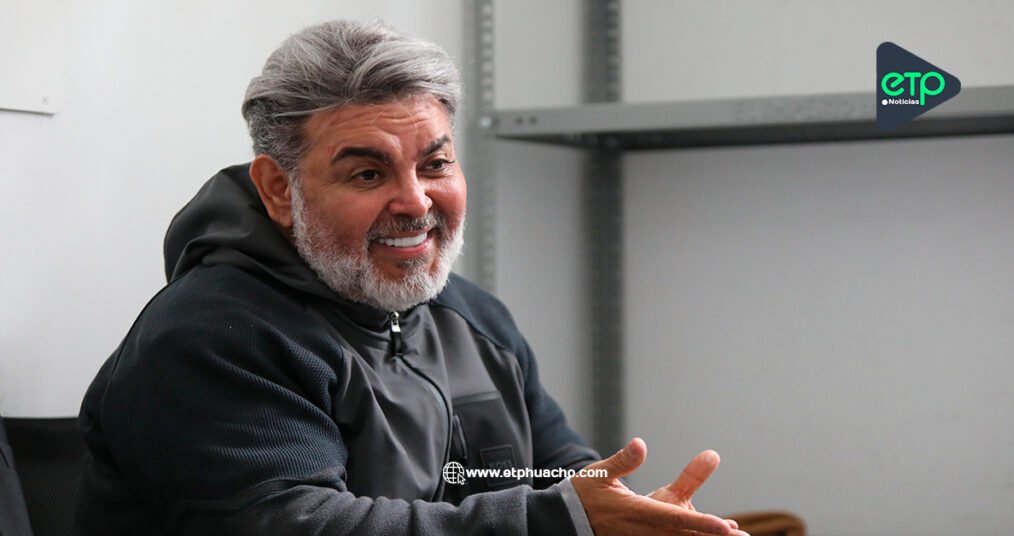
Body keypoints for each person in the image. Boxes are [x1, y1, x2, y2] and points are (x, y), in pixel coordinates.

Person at [73, 20, 748, 536]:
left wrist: (628, 513)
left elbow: (553, 475)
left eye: (435, 165)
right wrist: (562, 519)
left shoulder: (474, 319)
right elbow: (301, 523)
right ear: (279, 189)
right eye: (368, 173)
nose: (415, 201)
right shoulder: (212, 335)